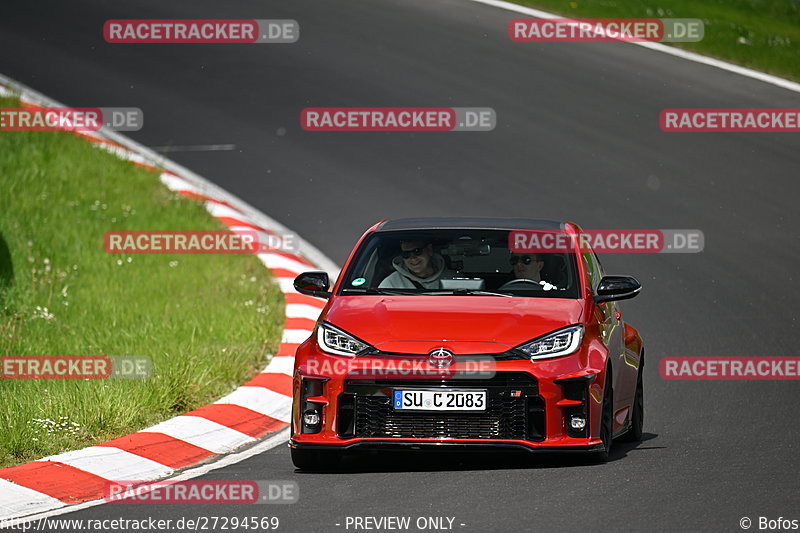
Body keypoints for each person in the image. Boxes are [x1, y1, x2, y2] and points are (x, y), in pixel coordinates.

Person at [379, 240, 453, 289]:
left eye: (417, 251)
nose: (412, 258)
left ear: (429, 250)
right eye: (406, 254)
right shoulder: (391, 284)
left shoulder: (453, 279)